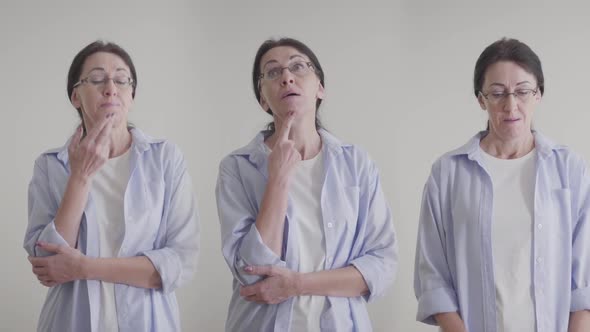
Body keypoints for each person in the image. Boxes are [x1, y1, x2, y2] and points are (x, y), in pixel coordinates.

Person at [215, 37, 397, 332]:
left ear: (320, 87)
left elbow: (382, 265)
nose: (287, 76)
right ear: (263, 99)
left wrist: (297, 285)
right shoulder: (237, 167)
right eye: (272, 72)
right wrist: (278, 179)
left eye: (299, 66)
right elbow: (250, 273)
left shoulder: (356, 163)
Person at [414, 37, 590, 332]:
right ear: (481, 99)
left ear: (539, 95)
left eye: (522, 91)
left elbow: (585, 278)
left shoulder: (569, 169)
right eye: (497, 93)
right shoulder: (447, 174)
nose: (511, 105)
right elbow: (432, 274)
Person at [24, 40, 199, 332]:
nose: (111, 88)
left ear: (131, 93)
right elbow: (48, 265)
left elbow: (180, 263)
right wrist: (80, 176)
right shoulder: (51, 166)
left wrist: (84, 268)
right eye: (96, 79)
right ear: (75, 97)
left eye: (121, 79)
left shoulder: (165, 158)